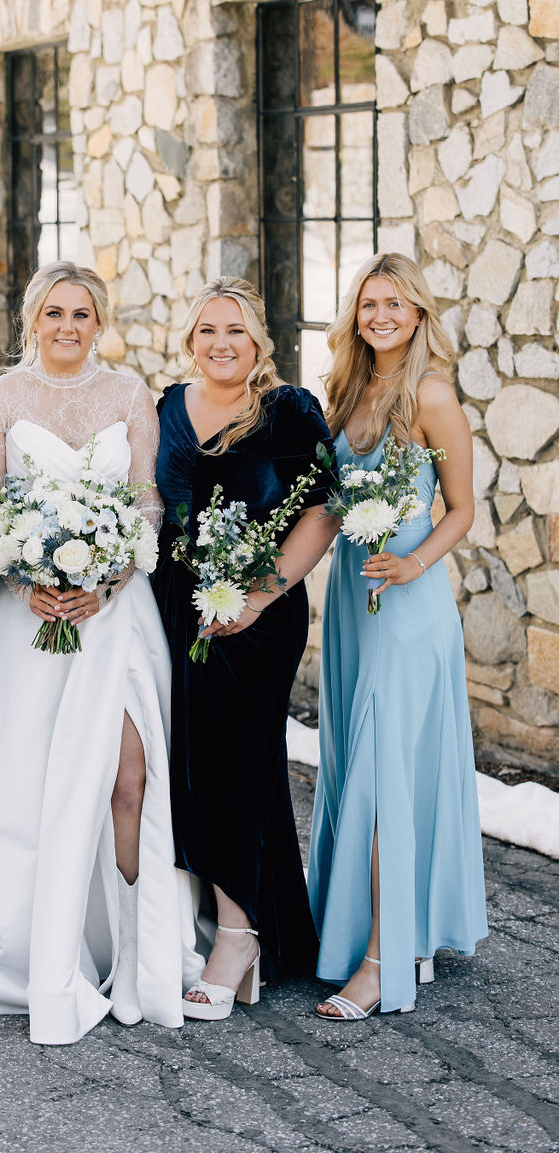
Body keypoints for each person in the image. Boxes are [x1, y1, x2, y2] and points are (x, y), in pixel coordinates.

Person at [0, 260, 198, 1045]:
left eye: (82, 314)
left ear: (99, 322)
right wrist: (26, 582)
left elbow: (148, 505)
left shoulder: (131, 396)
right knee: (33, 784)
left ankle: (135, 958)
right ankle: (41, 947)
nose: (67, 326)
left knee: (130, 776)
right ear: (33, 320)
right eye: (54, 312)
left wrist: (112, 573)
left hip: (114, 617)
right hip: (30, 624)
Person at [308, 253, 487, 1019]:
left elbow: (462, 508)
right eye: (368, 304)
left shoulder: (433, 394)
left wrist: (414, 561)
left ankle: (383, 962)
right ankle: (385, 926)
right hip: (353, 595)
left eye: (395, 303)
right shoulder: (345, 390)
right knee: (358, 756)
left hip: (408, 604)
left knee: (388, 768)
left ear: (418, 313)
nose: (380, 315)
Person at [152, 278, 336, 1021]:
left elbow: (321, 510)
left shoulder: (289, 410)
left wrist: (260, 593)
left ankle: (238, 937)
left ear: (259, 341)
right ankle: (254, 924)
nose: (221, 343)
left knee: (231, 762)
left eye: (235, 330)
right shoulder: (169, 404)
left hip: (257, 611)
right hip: (174, 606)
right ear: (189, 339)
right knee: (188, 761)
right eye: (206, 330)